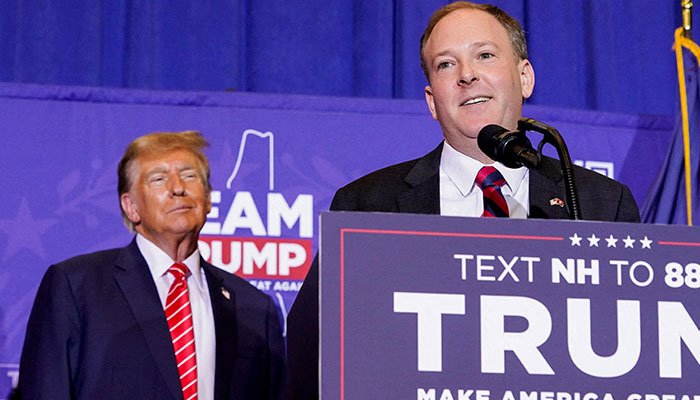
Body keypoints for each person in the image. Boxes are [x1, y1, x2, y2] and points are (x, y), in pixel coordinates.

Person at [286, 2, 640, 399]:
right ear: (432, 100)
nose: (467, 75)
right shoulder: (366, 206)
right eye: (446, 65)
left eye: (484, 55)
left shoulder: (600, 204)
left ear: (524, 78)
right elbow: (310, 353)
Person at [18, 131, 285, 399]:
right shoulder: (77, 287)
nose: (178, 188)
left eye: (190, 176)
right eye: (159, 179)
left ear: (207, 200)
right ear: (131, 207)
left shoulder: (254, 308)